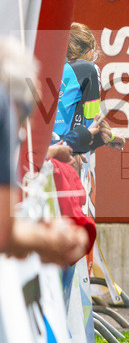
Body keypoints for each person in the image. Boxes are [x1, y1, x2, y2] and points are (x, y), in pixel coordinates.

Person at [1, 37, 90, 266]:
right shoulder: (5, 106)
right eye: (20, 126)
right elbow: (4, 231)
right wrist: (47, 239)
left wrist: (50, 151)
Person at [52, 23, 124, 156]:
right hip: (68, 151)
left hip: (44, 149)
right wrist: (112, 137)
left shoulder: (51, 68)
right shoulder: (89, 68)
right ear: (90, 52)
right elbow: (93, 124)